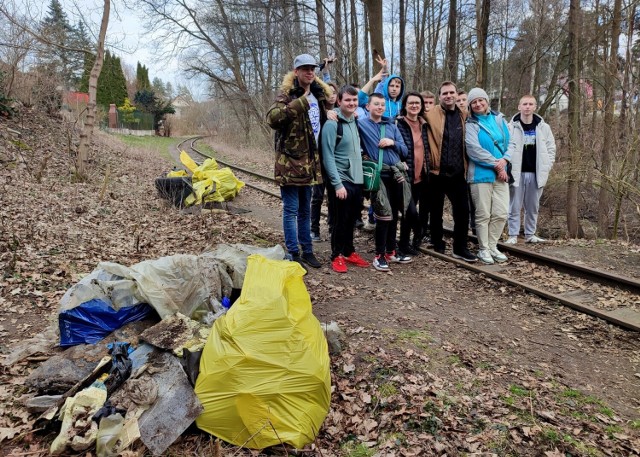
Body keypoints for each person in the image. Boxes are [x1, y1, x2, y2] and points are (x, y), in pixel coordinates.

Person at [266, 53, 330, 269]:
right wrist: (300, 102)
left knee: (305, 211)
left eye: (312, 68)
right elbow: (272, 119)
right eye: (305, 69)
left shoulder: (320, 95)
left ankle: (308, 250)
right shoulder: (287, 94)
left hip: (311, 163)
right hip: (290, 164)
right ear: (296, 72)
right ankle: (293, 253)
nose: (309, 72)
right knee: (291, 210)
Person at [358, 93, 411, 272]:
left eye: (382, 104)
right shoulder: (361, 124)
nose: (380, 107)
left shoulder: (392, 125)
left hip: (395, 174)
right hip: (379, 176)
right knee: (383, 215)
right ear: (368, 107)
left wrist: (392, 142)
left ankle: (390, 251)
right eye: (376, 104)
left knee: (394, 214)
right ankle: (379, 255)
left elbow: (404, 151)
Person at [424, 81, 477, 262]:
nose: (448, 96)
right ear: (440, 96)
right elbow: (411, 116)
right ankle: (437, 242)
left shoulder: (465, 115)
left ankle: (460, 248)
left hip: (458, 173)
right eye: (445, 93)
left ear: (456, 95)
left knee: (463, 212)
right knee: (436, 211)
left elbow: (485, 117)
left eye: (451, 92)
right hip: (437, 173)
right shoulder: (430, 114)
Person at [321, 85, 370, 273]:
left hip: (356, 180)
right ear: (339, 101)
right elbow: (328, 156)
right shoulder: (333, 124)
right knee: (339, 220)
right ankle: (337, 255)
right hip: (341, 180)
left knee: (351, 220)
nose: (351, 103)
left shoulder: (354, 121)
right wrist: (337, 184)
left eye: (354, 100)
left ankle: (349, 251)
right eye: (347, 100)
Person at [465, 88, 511, 264]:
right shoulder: (471, 124)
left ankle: (493, 246)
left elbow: (511, 143)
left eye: (480, 100)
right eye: (473, 102)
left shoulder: (499, 119)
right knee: (483, 214)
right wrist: (497, 164)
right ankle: (483, 249)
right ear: (470, 105)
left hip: (501, 173)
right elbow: (473, 150)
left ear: (486, 101)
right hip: (480, 175)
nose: (478, 104)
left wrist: (504, 160)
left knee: (501, 212)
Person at [505, 95, 557, 244]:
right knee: (514, 205)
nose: (527, 107)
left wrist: (548, 165)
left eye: (530, 104)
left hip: (536, 173)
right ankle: (513, 235)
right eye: (524, 104)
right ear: (519, 107)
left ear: (535, 107)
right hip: (517, 173)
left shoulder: (543, 127)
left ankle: (530, 234)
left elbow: (551, 148)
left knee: (533, 206)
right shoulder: (511, 127)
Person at [396, 92, 429, 254]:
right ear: (405, 105)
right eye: (411, 103)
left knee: (408, 215)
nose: (414, 105)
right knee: (410, 212)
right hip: (403, 175)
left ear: (421, 106)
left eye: (417, 103)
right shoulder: (398, 124)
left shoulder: (424, 124)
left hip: (420, 176)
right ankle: (419, 232)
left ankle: (404, 245)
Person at [311, 81, 339, 242]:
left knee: (334, 196)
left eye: (334, 92)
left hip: (335, 160)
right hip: (320, 159)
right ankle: (314, 229)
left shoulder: (341, 112)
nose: (331, 95)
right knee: (318, 196)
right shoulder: (320, 112)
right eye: (328, 93)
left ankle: (332, 226)